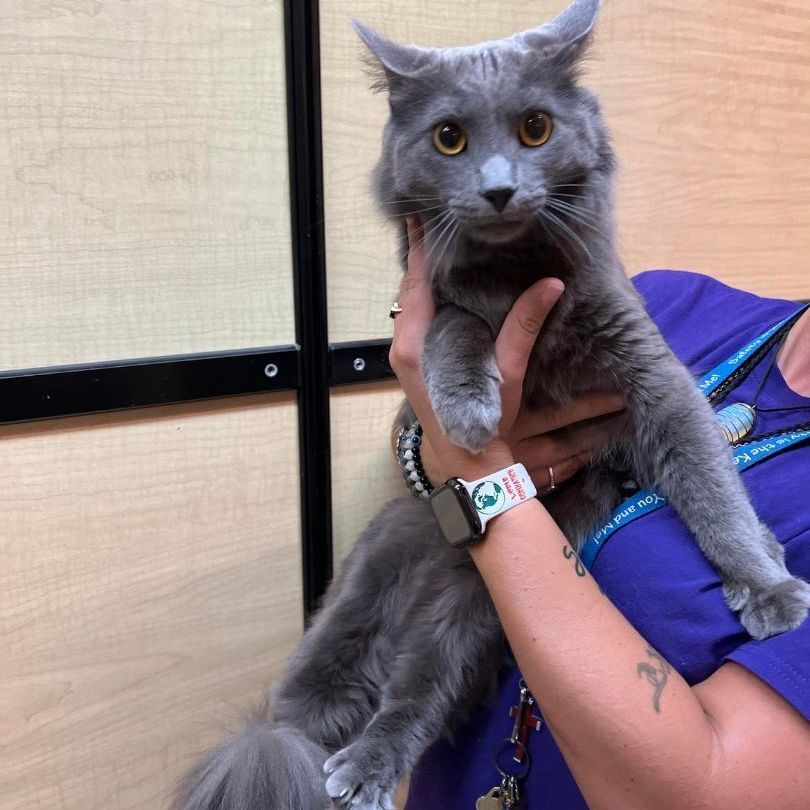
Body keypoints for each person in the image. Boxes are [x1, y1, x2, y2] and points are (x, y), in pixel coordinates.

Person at [389, 219, 810, 809]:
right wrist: (425, 459)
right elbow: (423, 428)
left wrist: (480, 479)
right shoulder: (674, 302)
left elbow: (709, 789)